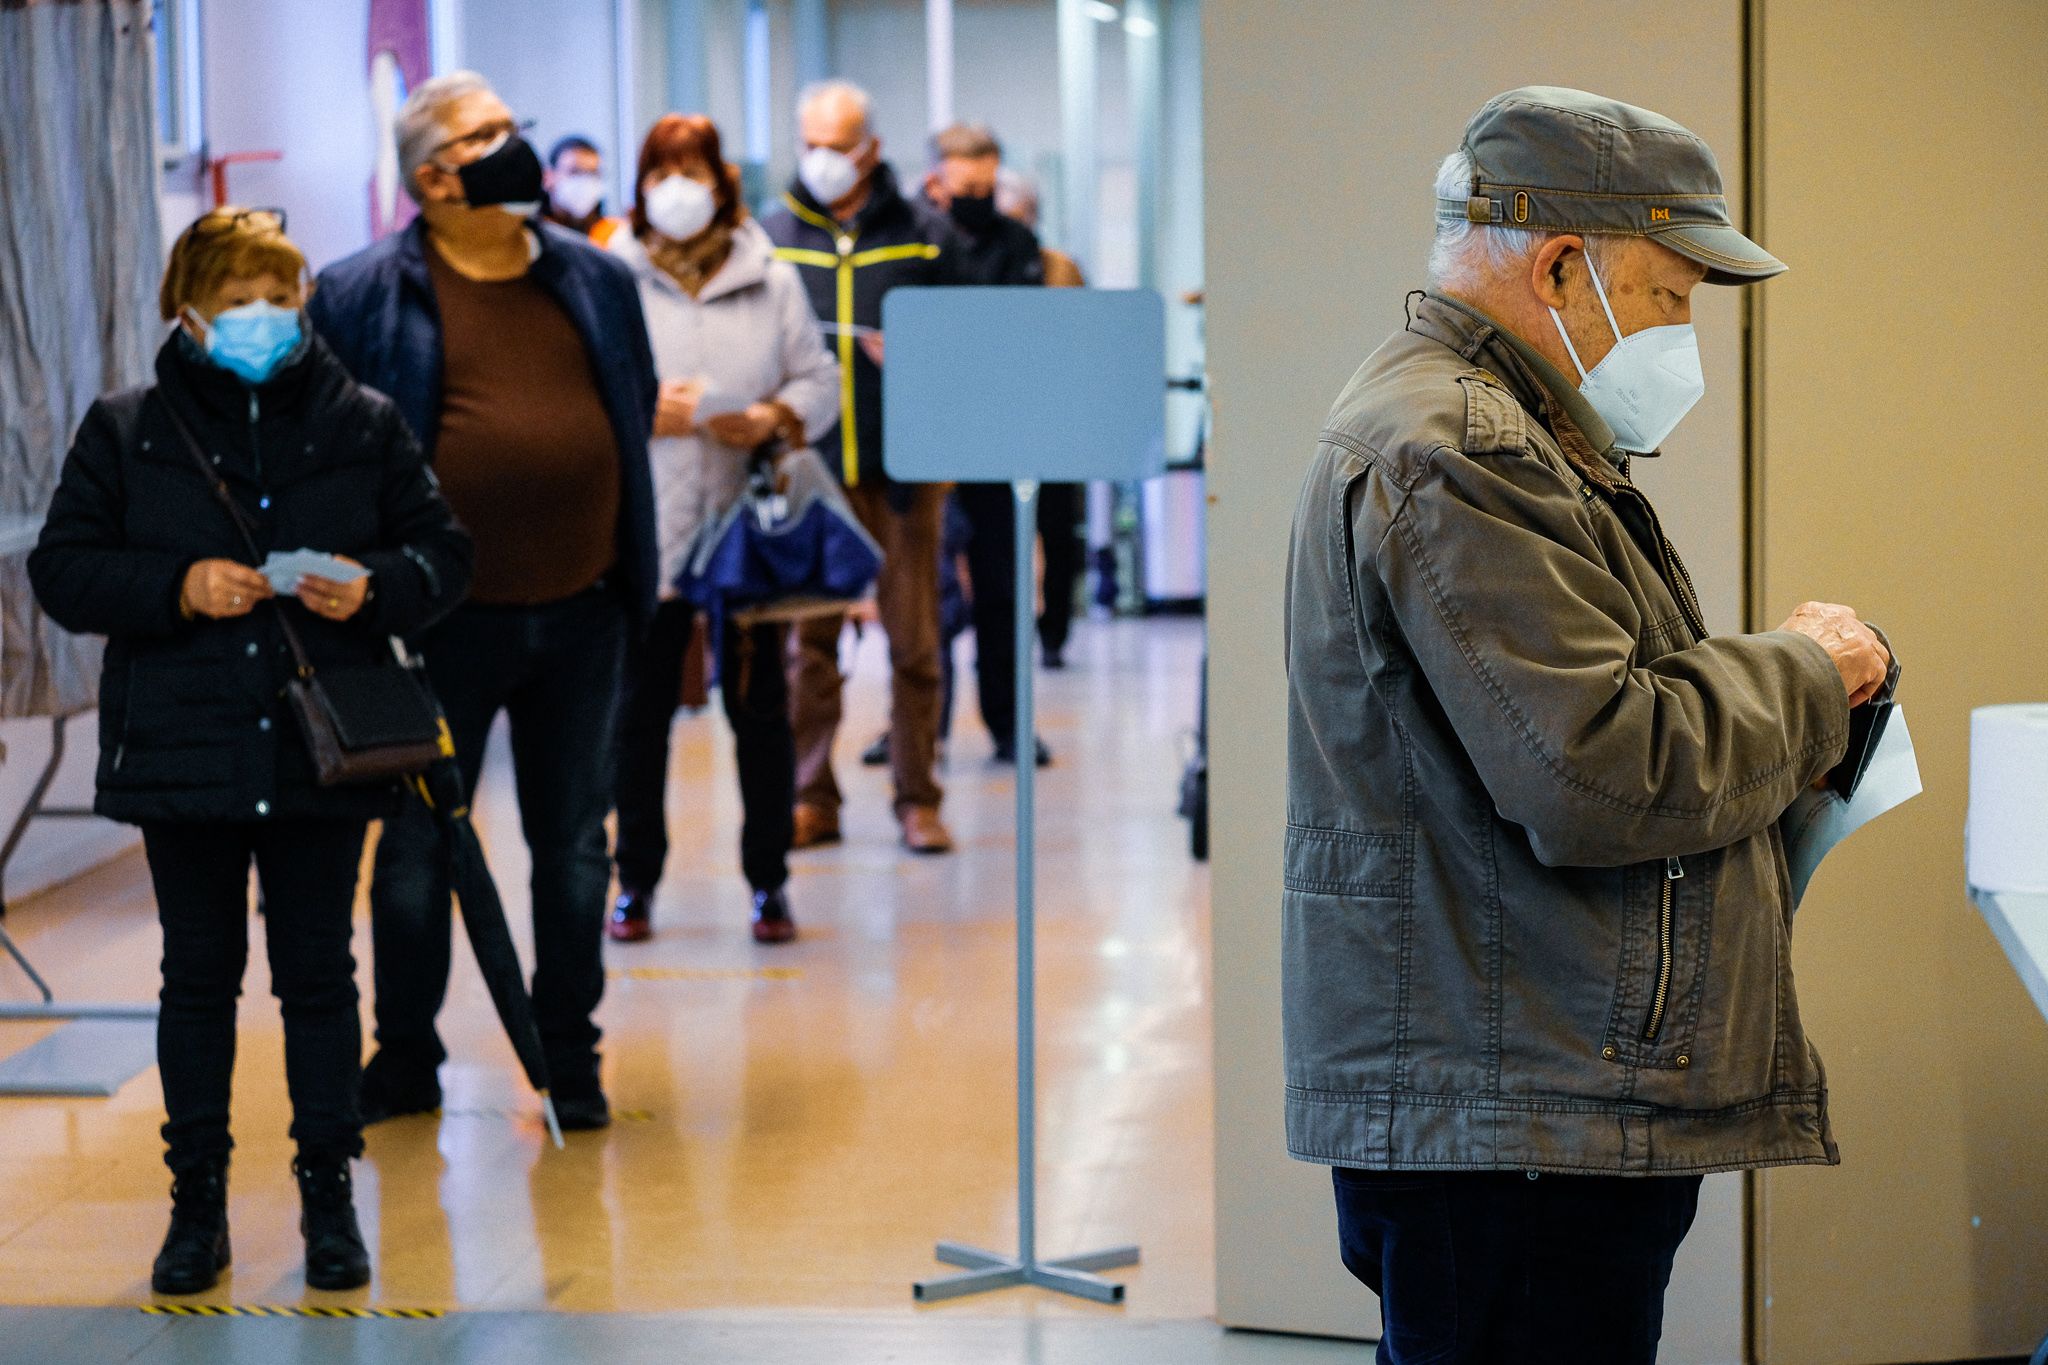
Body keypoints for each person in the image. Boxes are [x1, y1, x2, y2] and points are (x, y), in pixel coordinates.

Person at [1282, 87, 1891, 1364]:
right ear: (1563, 265)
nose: (1678, 336)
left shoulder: (1497, 432)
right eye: (1667, 297)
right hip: (1515, 1104)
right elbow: (1601, 770)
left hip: (1520, 1079)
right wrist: (1808, 673)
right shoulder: (1464, 449)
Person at [27, 208, 472, 1295]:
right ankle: (197, 1208)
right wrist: (176, 587)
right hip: (185, 747)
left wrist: (376, 587)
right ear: (187, 314)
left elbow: (442, 552)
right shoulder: (128, 428)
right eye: (236, 306)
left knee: (319, 977)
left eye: (279, 300)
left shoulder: (359, 420)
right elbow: (63, 569)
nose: (262, 322)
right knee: (198, 980)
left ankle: (330, 1198)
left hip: (323, 747)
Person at [308, 71, 660, 1132]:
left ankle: (570, 1055)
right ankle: (404, 1058)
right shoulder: (364, 291)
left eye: (514, 125)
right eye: (486, 134)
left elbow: (630, 404)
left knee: (574, 845)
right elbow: (334, 450)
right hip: (432, 626)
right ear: (432, 175)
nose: (516, 145)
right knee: (416, 851)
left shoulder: (595, 279)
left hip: (583, 609)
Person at [607, 113, 840, 945]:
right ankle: (634, 879)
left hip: (744, 531)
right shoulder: (612, 273)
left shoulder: (767, 277)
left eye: (692, 169)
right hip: (647, 534)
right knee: (638, 714)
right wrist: (645, 412)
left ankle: (769, 880)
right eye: (660, 170)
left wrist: (775, 414)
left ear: (720, 181)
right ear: (640, 185)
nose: (677, 188)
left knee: (759, 710)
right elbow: (584, 390)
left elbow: (820, 378)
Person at [763, 80, 959, 854]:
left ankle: (918, 797)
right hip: (810, 474)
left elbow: (959, 347)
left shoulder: (924, 234)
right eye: (809, 142)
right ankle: (813, 796)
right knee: (806, 647)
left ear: (871, 149)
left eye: (836, 146)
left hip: (904, 473)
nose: (821, 160)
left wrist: (917, 353)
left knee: (913, 643)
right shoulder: (773, 237)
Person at [920, 124, 1050, 766]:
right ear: (936, 178)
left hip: (1001, 441)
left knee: (1002, 592)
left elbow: (1024, 338)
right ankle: (922, 732)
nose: (974, 194)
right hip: (931, 444)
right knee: (933, 596)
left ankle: (1008, 726)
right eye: (961, 183)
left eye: (985, 183)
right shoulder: (916, 240)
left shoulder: (1019, 243)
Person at [995, 168, 1087, 670]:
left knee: (1055, 529)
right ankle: (1008, 632)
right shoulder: (980, 267)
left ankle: (1054, 631)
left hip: (1055, 426)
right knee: (999, 539)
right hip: (997, 427)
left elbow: (1082, 343)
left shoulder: (1059, 270)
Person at [543, 133, 608, 237]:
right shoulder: (531, 234)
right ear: (548, 177)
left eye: (593, 173)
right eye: (575, 172)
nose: (585, 182)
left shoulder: (611, 235)